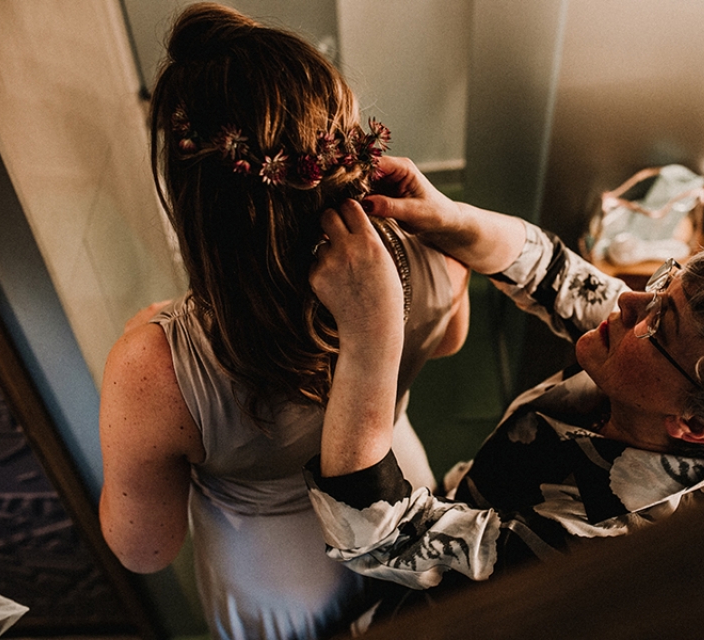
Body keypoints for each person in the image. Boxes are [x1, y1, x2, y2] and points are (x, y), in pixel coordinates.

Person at [304, 155, 704, 621]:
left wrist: (373, 333)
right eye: (667, 283)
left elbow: (379, 534)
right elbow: (553, 271)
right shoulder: (657, 364)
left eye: (662, 322)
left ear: (692, 425)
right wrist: (452, 219)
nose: (630, 301)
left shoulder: (602, 538)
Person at [97, 5, 469, 640]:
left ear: (195, 202)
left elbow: (144, 549)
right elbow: (453, 337)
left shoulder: (152, 368)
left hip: (280, 588)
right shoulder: (429, 246)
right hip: (402, 507)